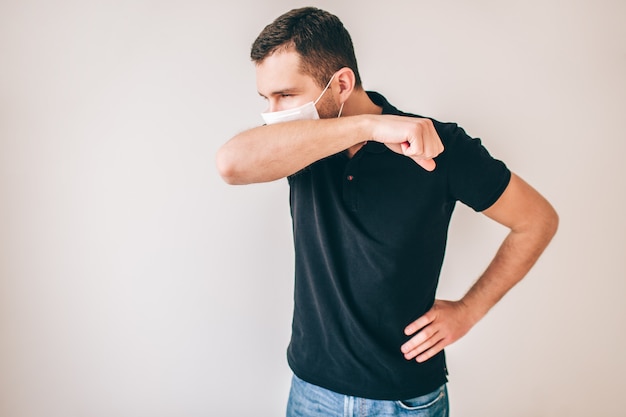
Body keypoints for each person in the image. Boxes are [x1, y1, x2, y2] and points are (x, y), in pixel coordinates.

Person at [216, 7, 558, 417]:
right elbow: (230, 164)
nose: (274, 113)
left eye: (286, 95)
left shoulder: (441, 144)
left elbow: (536, 220)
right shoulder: (298, 149)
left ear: (341, 83)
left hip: (407, 401)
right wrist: (370, 127)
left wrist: (469, 310)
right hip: (311, 394)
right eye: (265, 99)